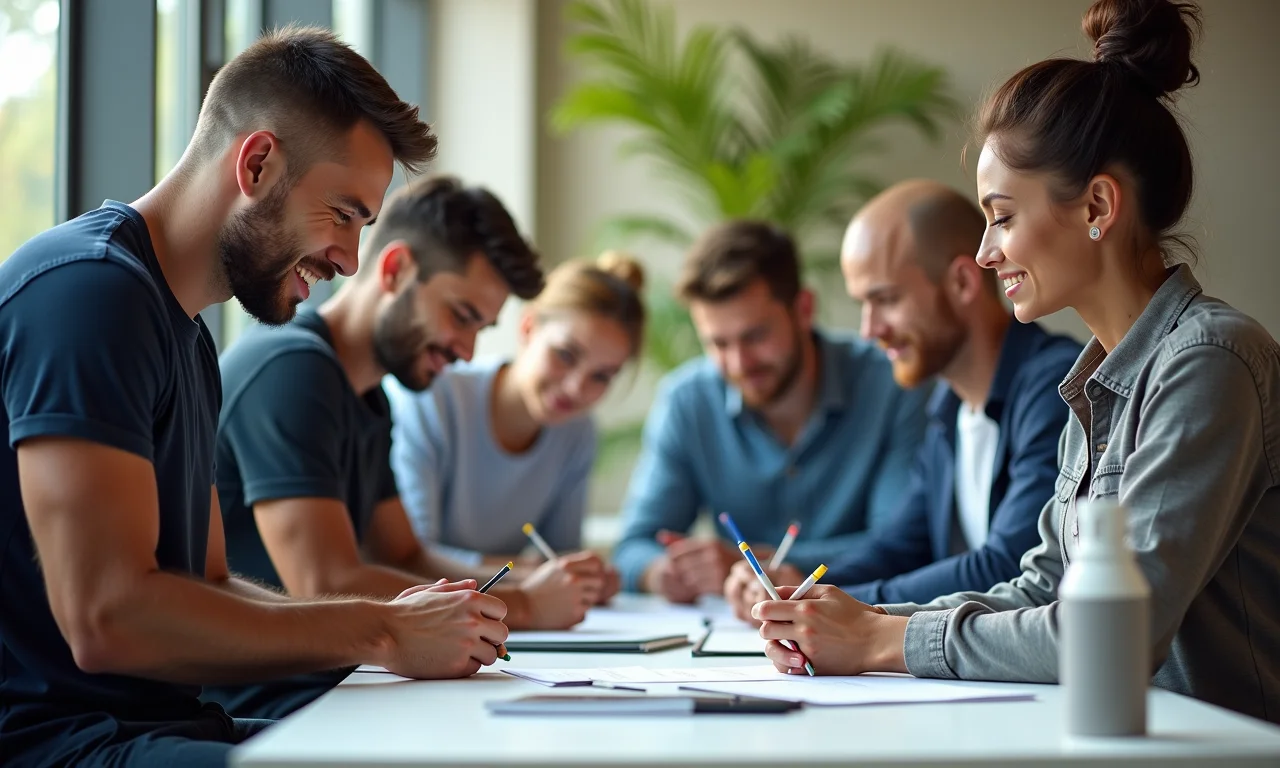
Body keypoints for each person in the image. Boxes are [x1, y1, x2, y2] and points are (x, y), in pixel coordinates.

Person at [754, 0, 1280, 724]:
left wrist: (884, 639)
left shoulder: (1210, 362)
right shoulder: (1093, 387)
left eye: (1002, 216)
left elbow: (1112, 635)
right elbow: (1041, 591)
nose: (983, 251)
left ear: (1097, 204)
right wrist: (852, 619)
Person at [0, 27, 510, 768]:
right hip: (62, 746)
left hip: (163, 730)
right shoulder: (91, 295)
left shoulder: (187, 335)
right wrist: (379, 632)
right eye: (343, 213)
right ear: (259, 162)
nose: (349, 258)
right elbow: (107, 618)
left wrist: (395, 622)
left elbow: (206, 586)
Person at [203, 177, 614, 719]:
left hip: (337, 686)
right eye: (461, 317)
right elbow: (324, 582)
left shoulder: (370, 400)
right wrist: (528, 605)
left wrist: (525, 584)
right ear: (394, 270)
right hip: (267, 708)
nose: (467, 352)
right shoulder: (293, 370)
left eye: (482, 329)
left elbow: (405, 554)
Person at [724, 180, 1080, 622]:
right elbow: (900, 546)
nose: (869, 331)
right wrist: (800, 583)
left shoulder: (1056, 387)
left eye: (885, 300)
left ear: (963, 282)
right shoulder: (947, 408)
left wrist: (850, 605)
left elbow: (1008, 565)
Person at [613, 220, 932, 603]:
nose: (739, 362)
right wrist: (666, 572)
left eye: (755, 336)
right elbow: (633, 546)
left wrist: (754, 564)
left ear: (803, 309)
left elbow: (904, 545)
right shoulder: (688, 401)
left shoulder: (893, 385)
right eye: (717, 343)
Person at [386, 251, 647, 601]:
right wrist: (532, 575)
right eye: (565, 355)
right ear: (528, 327)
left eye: (601, 376)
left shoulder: (577, 432)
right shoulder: (434, 398)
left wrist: (587, 577)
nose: (575, 389)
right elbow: (409, 558)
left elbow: (559, 555)